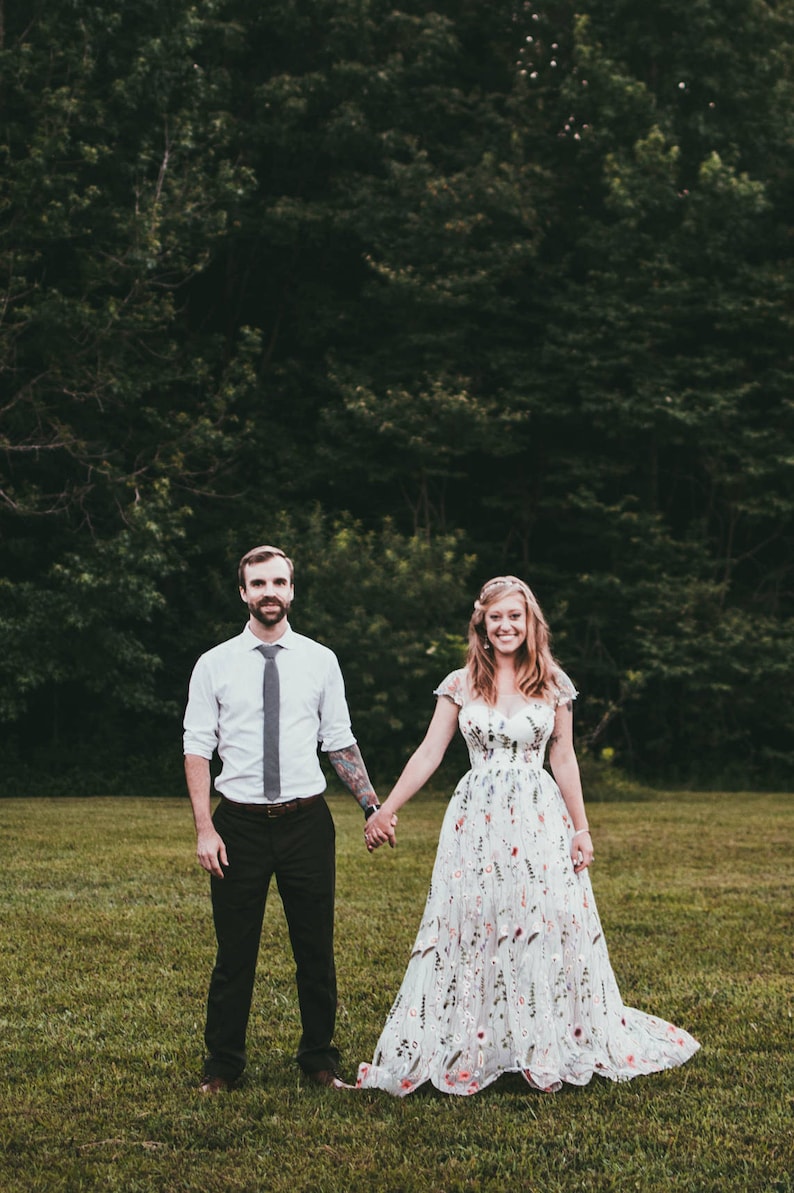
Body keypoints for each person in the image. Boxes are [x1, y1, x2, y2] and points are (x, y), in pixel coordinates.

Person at [357, 575, 699, 1096]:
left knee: (540, 922)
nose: (505, 625)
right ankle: (477, 1039)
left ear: (529, 621)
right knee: (476, 920)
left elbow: (562, 756)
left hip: (539, 817)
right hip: (476, 818)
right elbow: (429, 752)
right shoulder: (461, 683)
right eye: (495, 617)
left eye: (514, 616)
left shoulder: (553, 683)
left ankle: (543, 1040)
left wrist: (581, 828)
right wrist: (385, 809)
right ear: (482, 624)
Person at [183, 544, 384, 1094]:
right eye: (258, 584)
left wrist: (371, 804)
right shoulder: (214, 664)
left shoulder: (321, 661)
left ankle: (319, 1061)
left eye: (279, 582)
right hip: (238, 826)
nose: (269, 592)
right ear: (243, 593)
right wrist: (205, 829)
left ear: (292, 590)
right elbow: (197, 747)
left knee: (315, 949)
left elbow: (338, 740)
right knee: (235, 952)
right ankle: (223, 1067)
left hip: (306, 824)